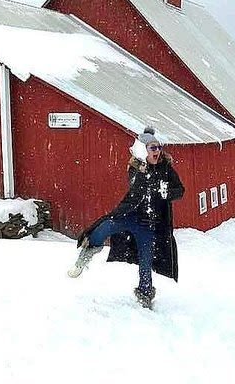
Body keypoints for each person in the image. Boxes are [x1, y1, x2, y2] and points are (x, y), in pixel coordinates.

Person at [67, 126, 184, 309]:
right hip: (129, 215)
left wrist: (167, 192)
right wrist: (150, 179)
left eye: (158, 147)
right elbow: (137, 187)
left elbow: (180, 190)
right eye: (152, 148)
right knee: (104, 227)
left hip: (148, 224)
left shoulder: (166, 169)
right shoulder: (135, 169)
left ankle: (145, 295)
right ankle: (88, 251)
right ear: (142, 150)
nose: (157, 151)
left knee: (146, 260)